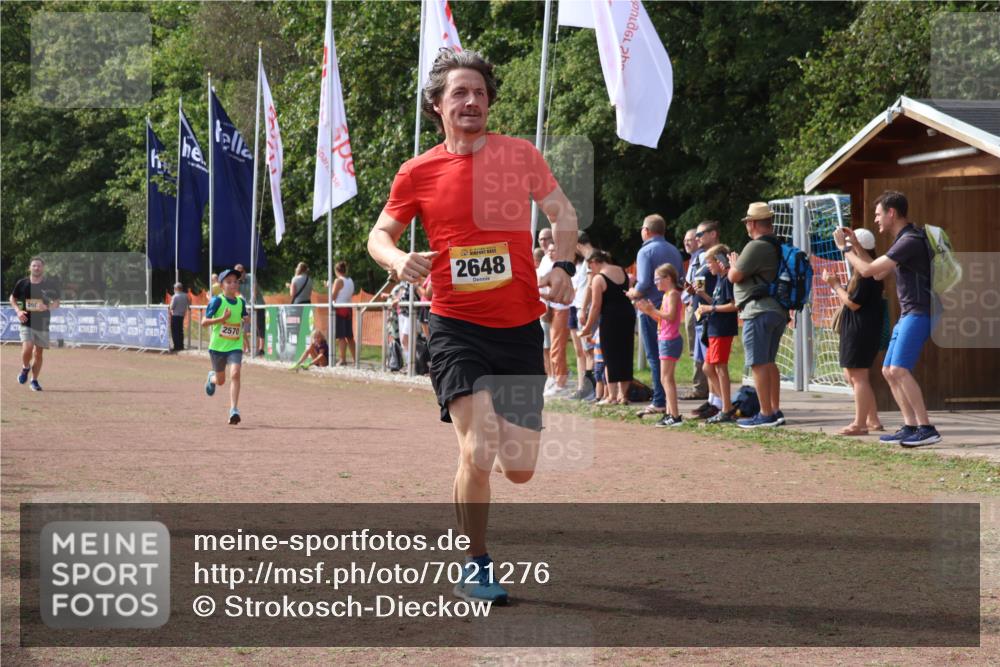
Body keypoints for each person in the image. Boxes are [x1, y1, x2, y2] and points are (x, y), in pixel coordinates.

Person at [367, 49, 577, 604]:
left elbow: (563, 214)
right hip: (456, 327)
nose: (472, 101)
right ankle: (476, 562)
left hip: (518, 328)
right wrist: (396, 261)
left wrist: (560, 265)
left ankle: (483, 493)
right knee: (477, 449)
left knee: (522, 468)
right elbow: (378, 235)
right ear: (437, 104)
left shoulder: (519, 155)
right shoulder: (418, 171)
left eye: (480, 93)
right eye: (459, 93)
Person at [838, 191, 940, 447]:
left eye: (878, 214)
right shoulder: (904, 239)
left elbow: (869, 270)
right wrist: (858, 247)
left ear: (891, 213)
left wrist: (845, 249)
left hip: (920, 312)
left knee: (898, 369)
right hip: (910, 313)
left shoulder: (910, 240)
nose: (876, 219)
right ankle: (910, 426)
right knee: (887, 370)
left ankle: (926, 428)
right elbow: (878, 273)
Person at [728, 202, 788, 429]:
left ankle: (765, 414)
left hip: (758, 310)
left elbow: (735, 275)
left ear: (752, 223)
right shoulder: (777, 244)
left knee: (758, 363)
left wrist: (733, 264)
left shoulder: (756, 246)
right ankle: (774, 409)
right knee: (769, 362)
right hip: (776, 310)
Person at [823, 228, 884, 436]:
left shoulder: (866, 273)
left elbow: (853, 303)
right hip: (858, 329)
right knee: (852, 375)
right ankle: (872, 418)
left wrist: (834, 285)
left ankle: (860, 423)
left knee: (858, 377)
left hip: (860, 329)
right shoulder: (866, 269)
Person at [626, 214, 683, 418]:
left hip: (651, 308)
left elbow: (643, 284)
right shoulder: (674, 250)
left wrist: (632, 292)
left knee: (655, 357)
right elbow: (680, 280)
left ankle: (659, 401)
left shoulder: (645, 251)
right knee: (664, 360)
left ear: (647, 231)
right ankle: (666, 403)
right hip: (671, 306)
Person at [580, 249, 634, 405]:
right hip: (627, 315)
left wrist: (588, 327)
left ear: (594, 262)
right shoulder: (621, 270)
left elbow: (596, 306)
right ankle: (623, 395)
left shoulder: (599, 279)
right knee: (625, 354)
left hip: (610, 318)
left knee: (610, 356)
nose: (591, 271)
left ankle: (611, 396)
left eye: (590, 267)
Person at [636, 264, 684, 427]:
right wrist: (649, 311)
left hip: (669, 340)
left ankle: (675, 416)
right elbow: (663, 319)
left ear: (668, 278)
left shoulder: (672, 295)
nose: (656, 282)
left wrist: (651, 310)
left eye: (658, 279)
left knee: (666, 378)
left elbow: (670, 316)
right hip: (665, 338)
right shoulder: (667, 295)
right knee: (665, 379)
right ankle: (670, 413)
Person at [696, 244, 739, 424]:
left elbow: (734, 305)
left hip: (722, 329)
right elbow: (717, 301)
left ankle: (727, 408)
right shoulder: (720, 280)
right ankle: (727, 404)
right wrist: (703, 296)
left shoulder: (728, 279)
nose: (708, 266)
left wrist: (710, 307)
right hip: (714, 328)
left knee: (720, 367)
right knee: (707, 367)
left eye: (710, 262)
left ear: (720, 261)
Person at [201, 268, 250, 425]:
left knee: (235, 374)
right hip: (218, 347)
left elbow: (243, 317)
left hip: (235, 345)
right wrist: (222, 318)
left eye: (235, 281)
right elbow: (204, 323)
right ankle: (212, 378)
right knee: (221, 381)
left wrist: (246, 319)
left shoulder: (241, 302)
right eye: (229, 282)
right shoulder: (217, 301)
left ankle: (233, 410)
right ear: (221, 285)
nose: (233, 284)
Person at [683, 221, 721, 410]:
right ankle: (713, 400)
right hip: (701, 314)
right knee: (705, 363)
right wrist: (693, 291)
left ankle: (720, 402)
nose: (697, 238)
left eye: (700, 234)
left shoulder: (719, 255)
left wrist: (702, 294)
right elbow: (701, 285)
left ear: (713, 234)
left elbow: (721, 289)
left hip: (711, 316)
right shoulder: (701, 257)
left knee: (712, 364)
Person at [9, 257, 60, 391]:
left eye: (39, 266)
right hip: (27, 321)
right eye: (34, 266)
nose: (36, 268)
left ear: (43, 268)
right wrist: (18, 311)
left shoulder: (49, 284)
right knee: (27, 348)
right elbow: (12, 298)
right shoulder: (22, 283)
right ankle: (25, 367)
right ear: (29, 268)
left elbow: (57, 302)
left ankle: (34, 380)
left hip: (43, 323)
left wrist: (47, 307)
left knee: (38, 353)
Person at [542, 241, 572, 397]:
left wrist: (538, 293)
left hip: (561, 308)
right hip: (552, 307)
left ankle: (561, 382)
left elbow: (555, 293)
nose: (550, 253)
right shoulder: (547, 263)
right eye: (549, 250)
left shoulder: (562, 269)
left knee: (556, 347)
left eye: (554, 250)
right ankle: (554, 378)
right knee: (551, 346)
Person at [568, 232, 595, 400]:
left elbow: (591, 286)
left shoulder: (591, 258)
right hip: (576, 306)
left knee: (589, 351)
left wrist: (584, 309)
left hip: (584, 308)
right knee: (581, 351)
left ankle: (590, 387)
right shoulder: (582, 262)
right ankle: (581, 386)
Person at [331, 260, 356, 366]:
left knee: (341, 336)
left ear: (336, 270)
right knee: (349, 336)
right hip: (348, 308)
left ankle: (342, 359)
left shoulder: (338, 281)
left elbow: (332, 296)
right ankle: (355, 359)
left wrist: (330, 287)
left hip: (340, 308)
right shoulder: (350, 280)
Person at [169, 282, 190, 352]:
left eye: (174, 288)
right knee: (180, 331)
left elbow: (171, 307)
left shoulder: (175, 296)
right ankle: (181, 346)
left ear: (176, 288)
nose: (174, 289)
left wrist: (170, 307)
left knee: (175, 331)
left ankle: (176, 346)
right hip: (182, 315)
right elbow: (189, 304)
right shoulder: (186, 295)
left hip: (175, 315)